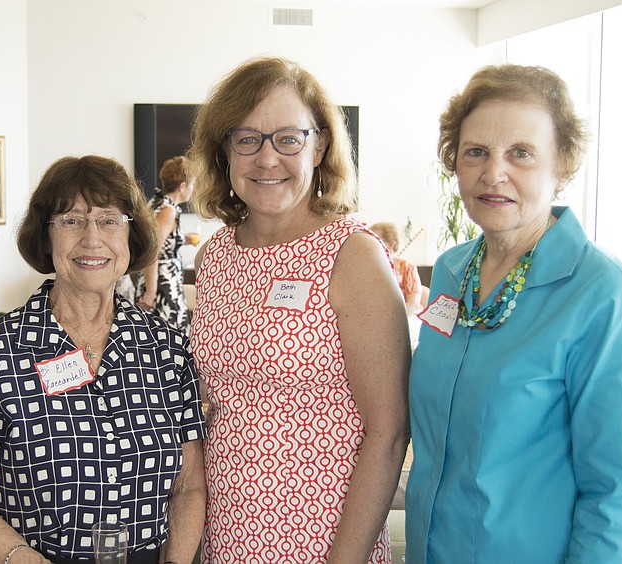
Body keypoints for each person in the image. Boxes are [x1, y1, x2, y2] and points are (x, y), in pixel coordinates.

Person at [188, 57, 411, 563]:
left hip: (325, 541)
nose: (267, 159)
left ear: (321, 146)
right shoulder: (216, 256)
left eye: (289, 138)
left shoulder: (352, 256)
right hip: (227, 537)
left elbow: (390, 432)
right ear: (224, 152)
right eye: (247, 138)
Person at [0, 155, 207, 564]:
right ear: (46, 237)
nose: (92, 239)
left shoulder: (168, 349)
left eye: (110, 220)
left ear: (131, 235)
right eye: (71, 221)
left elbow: (189, 486)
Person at [406, 64, 622, 562]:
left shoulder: (603, 294)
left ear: (563, 164)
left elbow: (618, 490)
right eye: (476, 152)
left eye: (521, 153)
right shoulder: (450, 272)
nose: (493, 173)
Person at [135, 155, 196, 333]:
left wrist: (183, 240)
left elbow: (158, 239)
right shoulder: (167, 211)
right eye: (192, 184)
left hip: (159, 283)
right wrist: (151, 292)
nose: (193, 189)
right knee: (170, 341)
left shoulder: (157, 203)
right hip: (163, 288)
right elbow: (153, 250)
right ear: (183, 185)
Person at [369, 222, 422, 314]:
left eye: (375, 241)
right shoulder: (368, 269)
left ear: (391, 244)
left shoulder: (407, 268)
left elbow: (413, 304)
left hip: (405, 319)